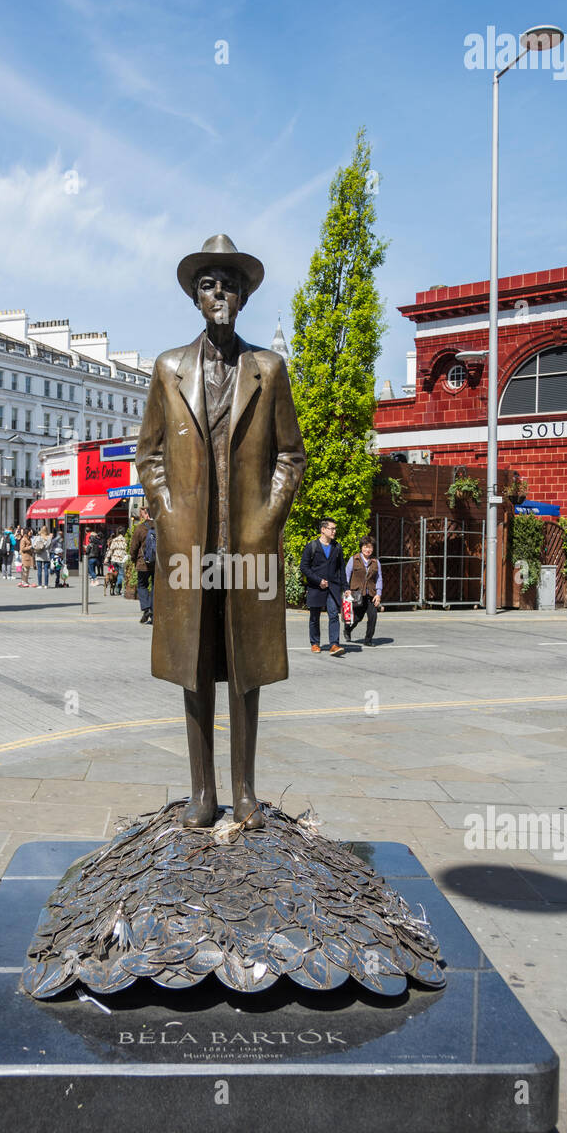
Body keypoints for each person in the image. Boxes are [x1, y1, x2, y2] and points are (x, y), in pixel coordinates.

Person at [136, 233, 305, 829]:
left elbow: (292, 455)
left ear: (244, 297)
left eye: (229, 285)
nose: (219, 294)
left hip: (247, 547)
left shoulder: (269, 370)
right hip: (190, 548)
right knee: (195, 666)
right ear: (195, 298)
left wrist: (266, 518)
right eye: (208, 285)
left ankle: (246, 790)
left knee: (246, 667)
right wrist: (168, 511)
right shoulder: (168, 368)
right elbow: (150, 454)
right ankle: (202, 792)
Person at [300, 518, 346, 656]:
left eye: (335, 529)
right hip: (316, 587)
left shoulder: (337, 547)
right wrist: (318, 580)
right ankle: (315, 643)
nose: (334, 531)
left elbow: (341, 569)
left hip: (333, 587)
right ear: (323, 529)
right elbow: (304, 567)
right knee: (314, 617)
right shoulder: (311, 546)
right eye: (332, 528)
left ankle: (334, 644)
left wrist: (346, 587)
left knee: (333, 615)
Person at [344, 535, 383, 646]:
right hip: (357, 593)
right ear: (361, 547)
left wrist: (378, 594)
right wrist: (346, 589)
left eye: (370, 547)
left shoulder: (376, 562)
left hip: (371, 594)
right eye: (366, 547)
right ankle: (347, 629)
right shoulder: (354, 559)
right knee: (357, 618)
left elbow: (379, 578)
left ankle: (368, 640)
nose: (368, 549)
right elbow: (347, 575)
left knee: (373, 617)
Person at [129, 505, 155, 623]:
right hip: (157, 564)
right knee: (155, 587)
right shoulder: (160, 527)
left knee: (142, 585)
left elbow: (133, 547)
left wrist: (134, 559)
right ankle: (153, 612)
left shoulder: (140, 528)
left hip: (143, 563)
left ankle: (146, 608)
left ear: (146, 514)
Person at [105, 529, 128, 595]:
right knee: (121, 574)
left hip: (114, 559)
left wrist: (106, 559)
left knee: (115, 574)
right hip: (121, 559)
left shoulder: (114, 540)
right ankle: (117, 589)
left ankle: (115, 589)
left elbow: (110, 550)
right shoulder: (125, 540)